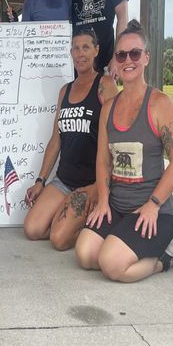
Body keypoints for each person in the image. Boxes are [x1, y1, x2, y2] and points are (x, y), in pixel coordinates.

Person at [76, 20, 173, 282]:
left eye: (135, 54)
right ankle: (123, 243)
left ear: (146, 57)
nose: (128, 60)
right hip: (117, 207)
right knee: (85, 255)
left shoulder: (159, 104)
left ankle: (162, 260)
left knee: (111, 264)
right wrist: (103, 201)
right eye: (121, 55)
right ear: (115, 60)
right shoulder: (108, 108)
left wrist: (154, 204)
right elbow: (103, 160)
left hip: (153, 211)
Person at [24, 29, 118, 250]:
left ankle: (99, 227)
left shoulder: (105, 84)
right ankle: (72, 220)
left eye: (86, 47)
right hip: (64, 180)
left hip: (91, 182)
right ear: (71, 52)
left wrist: (100, 186)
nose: (80, 53)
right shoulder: (65, 91)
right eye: (76, 48)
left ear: (96, 51)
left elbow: (117, 139)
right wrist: (40, 180)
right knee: (33, 229)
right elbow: (55, 140)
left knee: (58, 240)